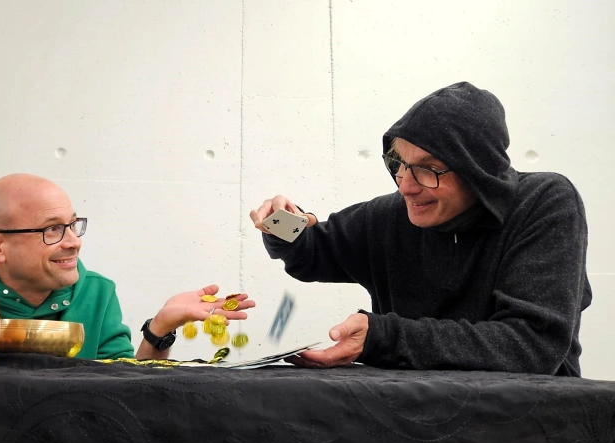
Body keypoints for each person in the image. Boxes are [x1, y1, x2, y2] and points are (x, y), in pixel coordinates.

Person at [250, 81, 591, 376]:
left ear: (478, 170)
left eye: (429, 169)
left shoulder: (544, 203)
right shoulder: (389, 217)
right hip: (415, 417)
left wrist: (384, 337)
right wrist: (284, 223)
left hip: (529, 420)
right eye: (399, 164)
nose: (406, 187)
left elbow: (531, 344)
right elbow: (314, 250)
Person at [0, 173, 254, 368]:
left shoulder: (97, 292)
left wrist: (159, 329)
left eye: (73, 224)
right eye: (52, 229)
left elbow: (127, 387)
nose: (73, 241)